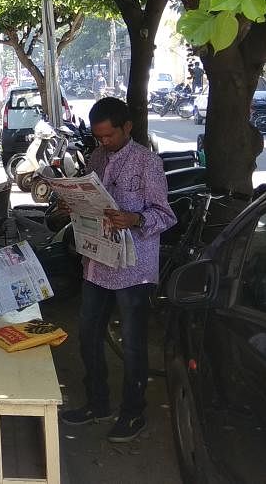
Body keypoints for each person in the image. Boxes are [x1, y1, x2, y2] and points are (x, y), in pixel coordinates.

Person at [59, 97, 176, 443]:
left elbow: (166, 215)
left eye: (109, 136)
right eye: (99, 137)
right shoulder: (96, 157)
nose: (104, 143)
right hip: (97, 263)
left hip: (133, 267)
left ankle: (133, 412)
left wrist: (136, 218)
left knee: (133, 345)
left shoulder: (147, 163)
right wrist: (74, 204)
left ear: (127, 128)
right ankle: (98, 403)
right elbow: (92, 200)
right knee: (88, 334)